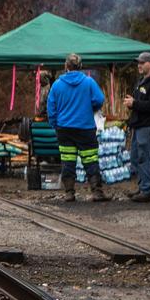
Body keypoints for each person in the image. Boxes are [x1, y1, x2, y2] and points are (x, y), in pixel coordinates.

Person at [47, 53, 108, 202]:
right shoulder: (88, 82)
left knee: (68, 160)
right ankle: (96, 192)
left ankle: (69, 192)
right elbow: (100, 99)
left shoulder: (57, 85)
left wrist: (55, 124)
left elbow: (51, 108)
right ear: (80, 67)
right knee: (90, 159)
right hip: (85, 128)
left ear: (66, 66)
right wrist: (90, 107)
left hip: (64, 130)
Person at [125, 51, 150, 203]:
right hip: (139, 124)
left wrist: (135, 103)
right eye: (138, 63)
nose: (139, 66)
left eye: (142, 63)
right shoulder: (142, 80)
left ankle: (147, 190)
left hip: (148, 126)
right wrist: (132, 103)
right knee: (136, 157)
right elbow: (142, 102)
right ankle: (142, 187)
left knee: (145, 157)